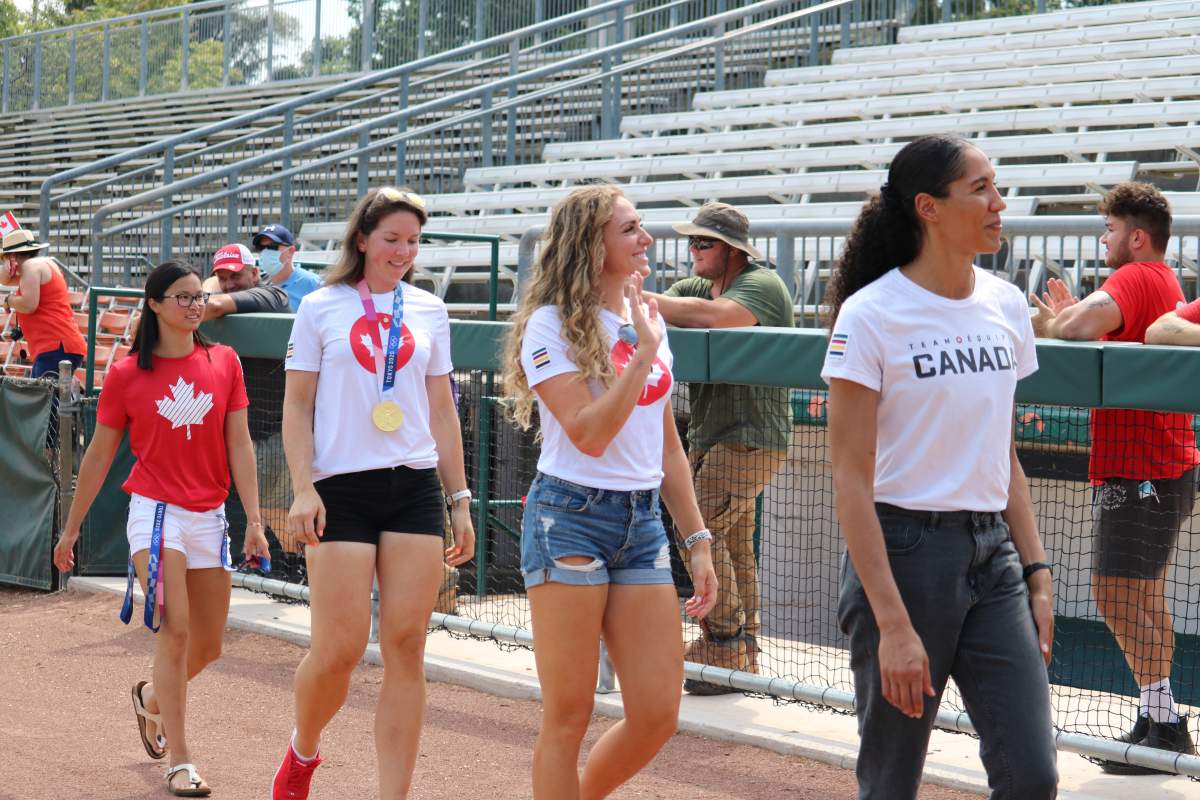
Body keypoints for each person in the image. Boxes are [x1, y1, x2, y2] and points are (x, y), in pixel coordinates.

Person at [822, 135, 1057, 800]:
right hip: (903, 556)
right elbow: (849, 478)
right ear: (928, 206)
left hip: (995, 561)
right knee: (892, 783)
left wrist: (1036, 569)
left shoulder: (1008, 304)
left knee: (1033, 775)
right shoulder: (871, 316)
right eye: (979, 188)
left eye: (996, 186)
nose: (998, 203)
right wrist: (893, 622)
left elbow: (1000, 451)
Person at [500, 185, 719, 799]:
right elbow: (589, 435)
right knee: (568, 714)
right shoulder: (549, 325)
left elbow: (665, 443)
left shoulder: (643, 318)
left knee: (657, 713)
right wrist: (643, 355)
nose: (645, 239)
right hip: (568, 515)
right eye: (629, 229)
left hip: (642, 521)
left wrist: (697, 538)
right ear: (590, 246)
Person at [273, 186, 474, 800]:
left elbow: (442, 409)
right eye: (392, 239)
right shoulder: (321, 307)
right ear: (362, 239)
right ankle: (303, 751)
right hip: (339, 489)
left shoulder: (428, 309)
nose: (403, 252)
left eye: (413, 242)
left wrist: (459, 498)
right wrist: (303, 488)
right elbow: (297, 404)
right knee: (339, 649)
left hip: (413, 485)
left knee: (407, 646)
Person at [52, 260, 270, 797]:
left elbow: (240, 443)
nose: (195, 305)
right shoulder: (128, 374)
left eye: (199, 296)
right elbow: (100, 454)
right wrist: (71, 529)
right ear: (154, 304)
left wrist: (256, 521)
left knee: (211, 645)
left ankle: (151, 697)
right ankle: (181, 759)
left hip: (210, 516)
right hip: (155, 513)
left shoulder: (225, 361)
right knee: (174, 630)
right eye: (182, 296)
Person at [1030, 182, 1198, 770]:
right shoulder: (1166, 281)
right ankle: (1158, 716)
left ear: (1137, 236)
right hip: (1164, 463)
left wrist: (1057, 320)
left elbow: (1074, 327)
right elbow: (1093, 324)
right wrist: (1071, 314)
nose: (1104, 239)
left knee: (1113, 591)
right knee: (1145, 594)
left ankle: (1166, 721)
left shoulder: (1137, 275)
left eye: (1109, 229)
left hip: (1141, 465)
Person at [644, 201, 793, 694]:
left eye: (703, 243)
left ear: (731, 251)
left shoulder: (762, 284)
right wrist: (637, 299)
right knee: (729, 543)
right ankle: (741, 652)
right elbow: (670, 307)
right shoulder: (696, 286)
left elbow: (715, 316)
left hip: (751, 438)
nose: (693, 250)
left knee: (697, 530)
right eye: (692, 241)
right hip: (709, 435)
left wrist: (634, 296)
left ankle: (723, 639)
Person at [202, 243, 297, 575]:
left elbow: (210, 305)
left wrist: (206, 290)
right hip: (239, 433)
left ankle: (300, 578)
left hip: (275, 432)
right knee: (254, 512)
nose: (230, 283)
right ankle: (277, 571)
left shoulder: (271, 296)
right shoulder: (226, 296)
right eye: (223, 277)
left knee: (280, 514)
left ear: (255, 274)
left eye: (237, 275)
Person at [0, 229, 87, 378]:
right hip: (59, 346)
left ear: (13, 255)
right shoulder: (42, 264)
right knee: (49, 399)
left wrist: (8, 300)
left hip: (55, 347)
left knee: (44, 400)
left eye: (5, 258)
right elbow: (4, 279)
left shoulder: (30, 267)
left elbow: (28, 304)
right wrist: (6, 266)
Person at [253, 224, 322, 313]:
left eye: (273, 247)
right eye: (261, 248)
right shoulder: (258, 284)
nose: (265, 252)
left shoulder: (313, 283)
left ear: (291, 251)